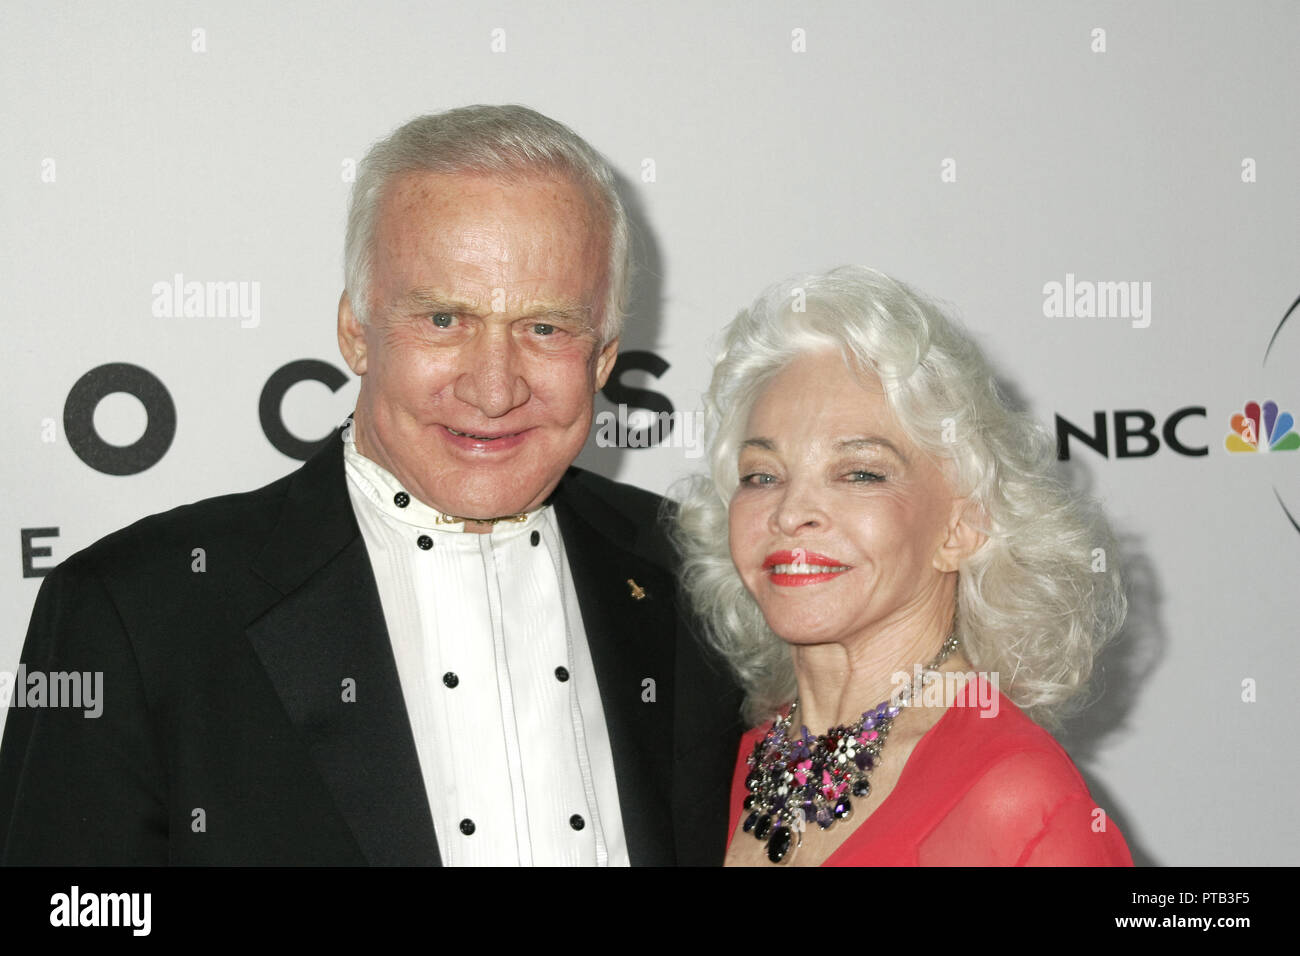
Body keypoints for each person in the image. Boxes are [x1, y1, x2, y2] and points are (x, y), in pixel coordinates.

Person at [0, 105, 742, 866]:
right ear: (357, 332)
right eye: (445, 319)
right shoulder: (133, 611)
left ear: (603, 358)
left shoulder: (701, 574)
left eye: (544, 328)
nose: (493, 390)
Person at [673, 266, 1133, 865]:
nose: (791, 513)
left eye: (860, 473)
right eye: (763, 476)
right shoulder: (719, 765)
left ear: (962, 528)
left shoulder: (1014, 798)